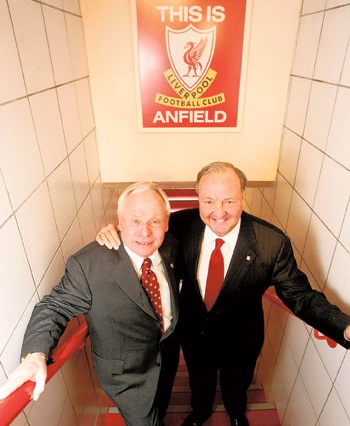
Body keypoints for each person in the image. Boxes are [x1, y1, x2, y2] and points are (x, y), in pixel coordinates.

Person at [95, 162, 350, 426]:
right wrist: (115, 232)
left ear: (243, 197)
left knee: (236, 385)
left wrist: (343, 327)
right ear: (198, 198)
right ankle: (201, 412)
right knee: (199, 381)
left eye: (229, 201)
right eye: (209, 201)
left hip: (242, 338)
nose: (219, 213)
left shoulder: (271, 242)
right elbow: (145, 239)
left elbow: (300, 295)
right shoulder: (180, 226)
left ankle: (236, 413)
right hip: (194, 333)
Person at [0, 182, 181, 426]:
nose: (145, 232)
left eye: (155, 221)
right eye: (135, 221)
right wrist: (35, 355)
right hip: (128, 378)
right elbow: (54, 307)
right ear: (119, 221)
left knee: (161, 405)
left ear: (166, 223)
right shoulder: (89, 265)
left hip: (167, 358)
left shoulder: (170, 246)